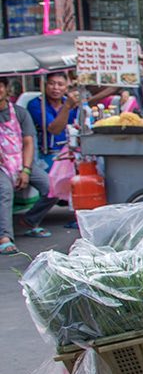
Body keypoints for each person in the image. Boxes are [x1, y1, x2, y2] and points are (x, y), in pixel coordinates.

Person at [0, 82, 60, 254]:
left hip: (20, 160)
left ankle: (30, 220)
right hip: (1, 165)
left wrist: (26, 170)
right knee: (4, 192)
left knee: (52, 187)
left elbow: (28, 142)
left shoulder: (19, 113)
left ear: (6, 89)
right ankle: (4, 237)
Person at [26, 71, 114, 168]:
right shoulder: (36, 104)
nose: (55, 88)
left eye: (60, 84)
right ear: (45, 85)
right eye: (51, 84)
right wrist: (67, 106)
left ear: (66, 88)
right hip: (47, 154)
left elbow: (79, 123)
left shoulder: (69, 102)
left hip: (71, 150)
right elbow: (54, 129)